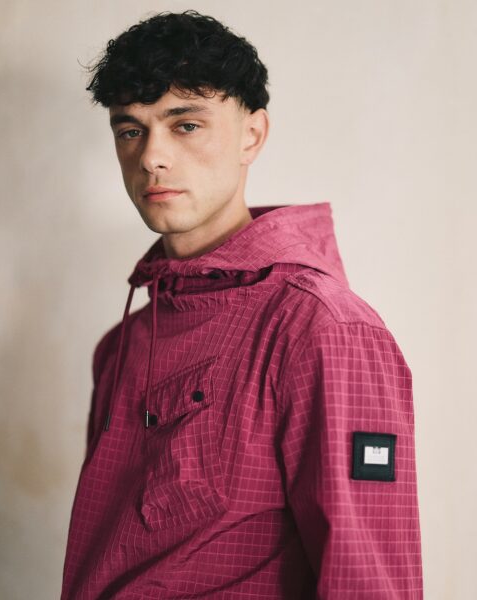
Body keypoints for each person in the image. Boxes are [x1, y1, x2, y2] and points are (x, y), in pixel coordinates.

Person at [61, 9, 423, 599]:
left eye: (185, 125)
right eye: (130, 130)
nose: (151, 157)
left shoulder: (322, 328)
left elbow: (367, 582)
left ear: (252, 135)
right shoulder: (121, 344)